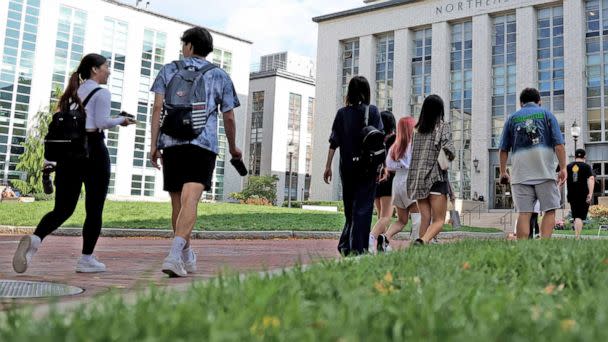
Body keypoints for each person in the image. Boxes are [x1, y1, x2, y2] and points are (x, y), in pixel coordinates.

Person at [12, 53, 136, 274]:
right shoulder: (102, 92)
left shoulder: (71, 93)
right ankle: (86, 259)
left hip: (69, 156)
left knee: (62, 209)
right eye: (106, 67)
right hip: (94, 152)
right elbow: (100, 123)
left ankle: (35, 239)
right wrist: (122, 120)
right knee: (94, 207)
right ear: (95, 70)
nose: (109, 71)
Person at [150, 27, 242, 277]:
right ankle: (174, 254)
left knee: (177, 203)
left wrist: (153, 144)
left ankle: (185, 255)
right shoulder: (219, 75)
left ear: (189, 45)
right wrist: (233, 147)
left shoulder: (169, 70)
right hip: (202, 144)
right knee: (191, 200)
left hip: (171, 143)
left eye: (184, 44)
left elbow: (158, 108)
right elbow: (230, 116)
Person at [324, 76, 383, 256]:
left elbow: (334, 142)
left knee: (350, 208)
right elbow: (380, 140)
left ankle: (346, 245)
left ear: (349, 92)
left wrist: (327, 166)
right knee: (363, 208)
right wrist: (382, 166)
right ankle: (357, 249)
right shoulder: (373, 111)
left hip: (347, 167)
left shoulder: (342, 113)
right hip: (367, 168)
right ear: (367, 92)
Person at [498, 87, 566, 239]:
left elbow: (503, 149)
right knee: (549, 210)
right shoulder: (547, 115)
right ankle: (545, 244)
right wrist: (563, 168)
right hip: (545, 174)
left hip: (520, 175)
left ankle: (523, 249)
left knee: (524, 213)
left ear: (521, 103)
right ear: (539, 102)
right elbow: (559, 146)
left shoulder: (511, 118)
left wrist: (503, 172)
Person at [407, 95, 455, 245]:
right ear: (440, 110)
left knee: (425, 219)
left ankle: (422, 250)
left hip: (418, 180)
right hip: (436, 178)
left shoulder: (416, 130)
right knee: (439, 220)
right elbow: (449, 149)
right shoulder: (443, 126)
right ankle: (422, 241)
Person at [371, 116, 419, 252]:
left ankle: (385, 237)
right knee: (417, 216)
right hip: (410, 180)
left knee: (401, 220)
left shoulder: (395, 147)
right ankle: (416, 243)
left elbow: (389, 165)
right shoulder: (413, 145)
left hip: (397, 182)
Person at [369, 111, 396, 253]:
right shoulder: (394, 139)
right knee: (386, 217)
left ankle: (383, 245)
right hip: (389, 181)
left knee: (381, 216)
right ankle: (370, 239)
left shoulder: (376, 139)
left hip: (376, 181)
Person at [566, 149, 595, 239]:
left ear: (575, 156)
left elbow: (561, 177)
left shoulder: (568, 166)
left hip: (571, 194)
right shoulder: (586, 167)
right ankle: (577, 238)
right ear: (584, 156)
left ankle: (577, 236)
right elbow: (591, 179)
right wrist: (590, 194)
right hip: (583, 194)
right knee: (579, 216)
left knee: (576, 216)